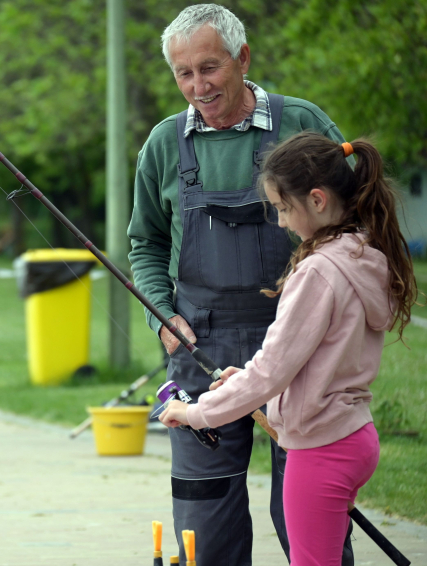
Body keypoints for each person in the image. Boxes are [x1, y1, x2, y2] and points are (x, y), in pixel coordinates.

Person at [127, 5, 356, 564]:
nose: (197, 86)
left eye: (209, 68)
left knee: (305, 515)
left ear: (243, 58)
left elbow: (355, 227)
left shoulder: (302, 124)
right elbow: (146, 245)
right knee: (205, 522)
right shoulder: (162, 145)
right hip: (199, 346)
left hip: (301, 348)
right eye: (184, 73)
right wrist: (162, 316)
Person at [159, 133, 417, 565]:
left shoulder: (318, 272)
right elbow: (317, 363)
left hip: (321, 449)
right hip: (354, 436)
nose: (280, 222)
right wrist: (244, 383)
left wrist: (195, 413)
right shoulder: (361, 253)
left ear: (317, 200)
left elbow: (272, 371)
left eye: (282, 208)